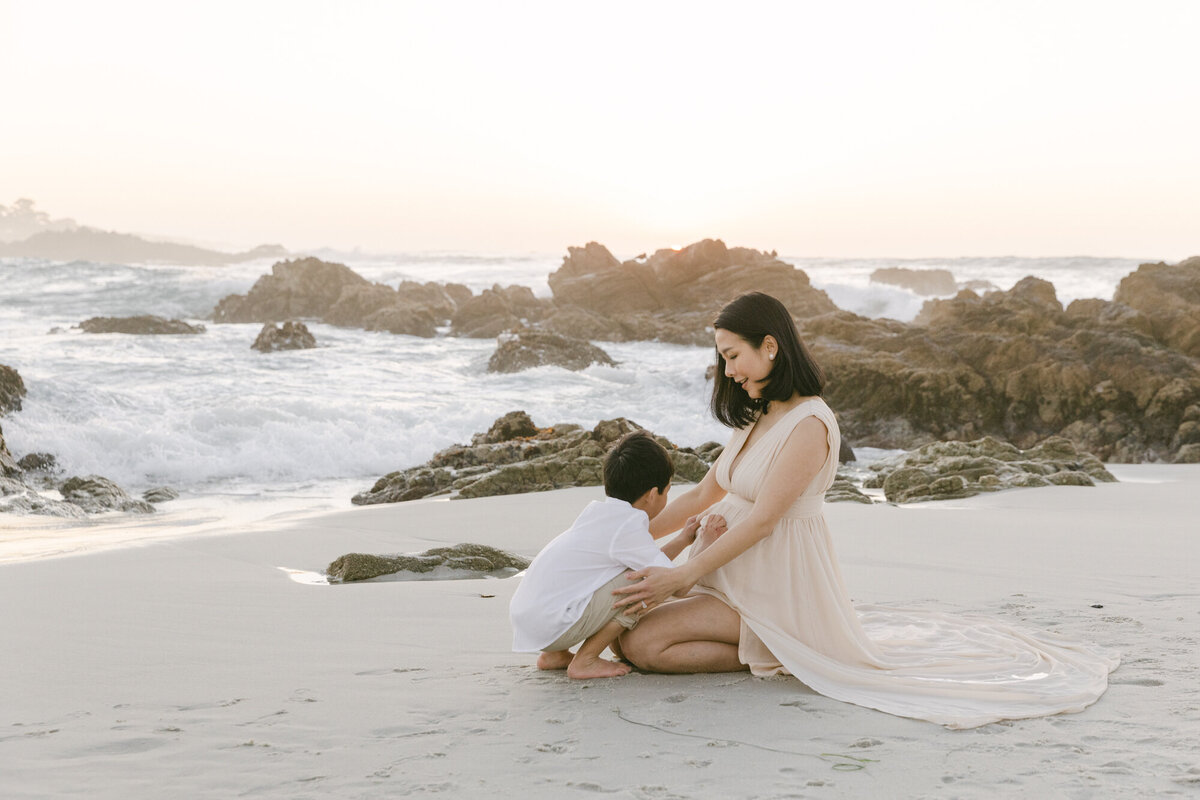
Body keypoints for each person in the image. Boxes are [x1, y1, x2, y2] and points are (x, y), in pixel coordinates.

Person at [613, 291, 1118, 728]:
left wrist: (682, 578)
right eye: (722, 358)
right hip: (722, 572)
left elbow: (766, 520)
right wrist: (618, 535)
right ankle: (775, 649)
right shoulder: (757, 414)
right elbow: (703, 497)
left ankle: (785, 645)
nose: (728, 370)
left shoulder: (810, 423)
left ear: (770, 345)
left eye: (733, 355)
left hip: (772, 585)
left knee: (642, 645)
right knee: (624, 633)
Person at [509, 430, 723, 679]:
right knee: (641, 585)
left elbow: (653, 564)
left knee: (627, 576)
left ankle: (555, 655)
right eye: (667, 491)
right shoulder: (628, 526)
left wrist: (682, 540)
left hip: (533, 621)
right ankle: (585, 660)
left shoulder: (601, 515)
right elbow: (675, 584)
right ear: (653, 495)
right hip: (553, 625)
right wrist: (707, 545)